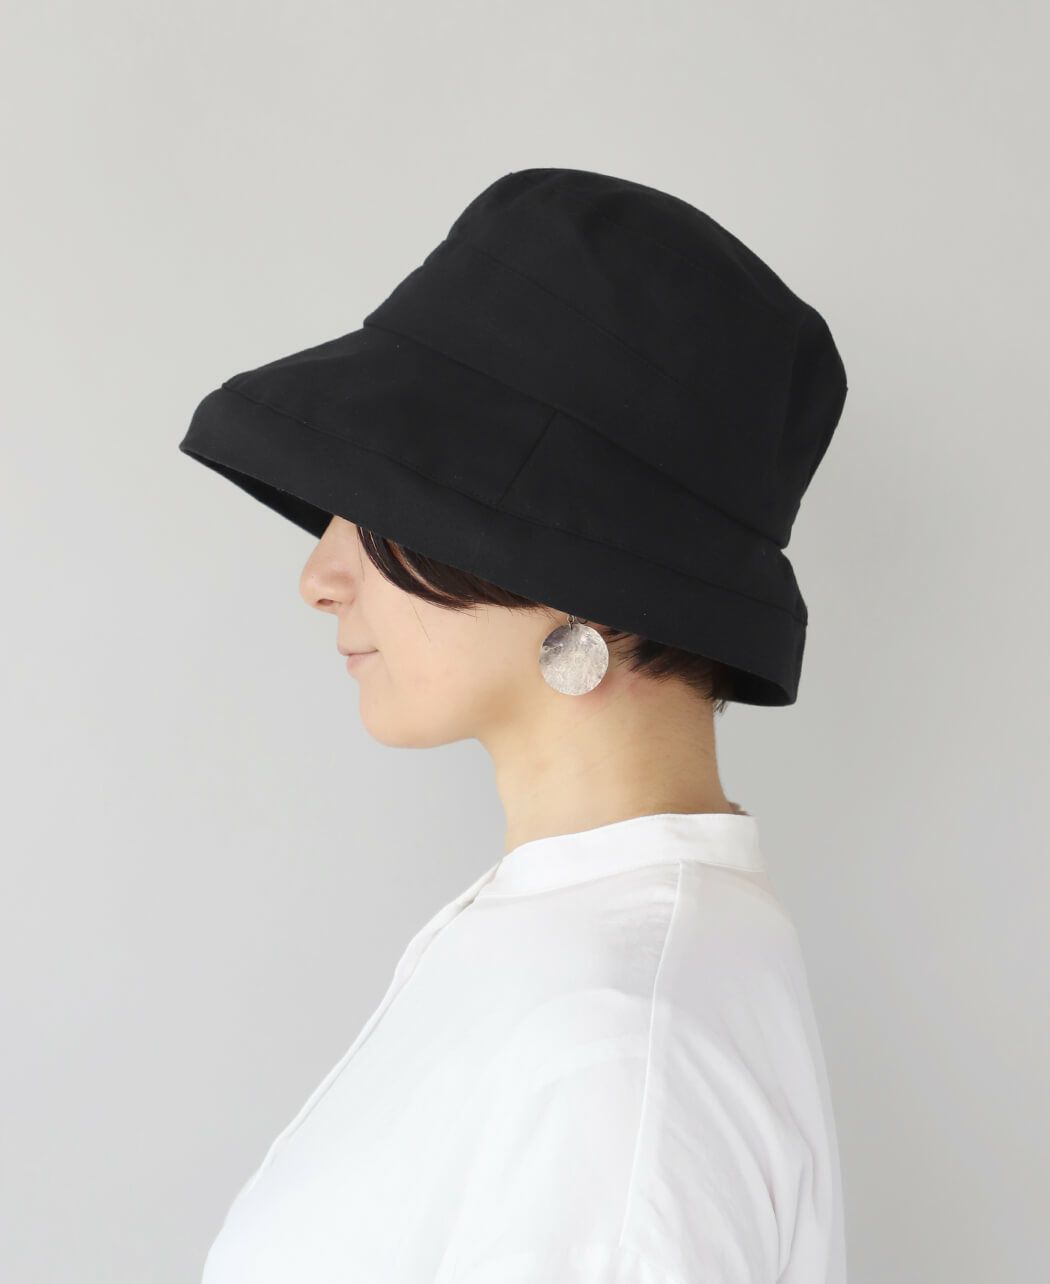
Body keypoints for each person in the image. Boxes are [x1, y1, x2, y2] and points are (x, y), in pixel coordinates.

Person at [179, 166, 849, 1283]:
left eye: (383, 502)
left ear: (576, 570)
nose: (319, 575)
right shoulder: (589, 946)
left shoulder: (613, 1049)